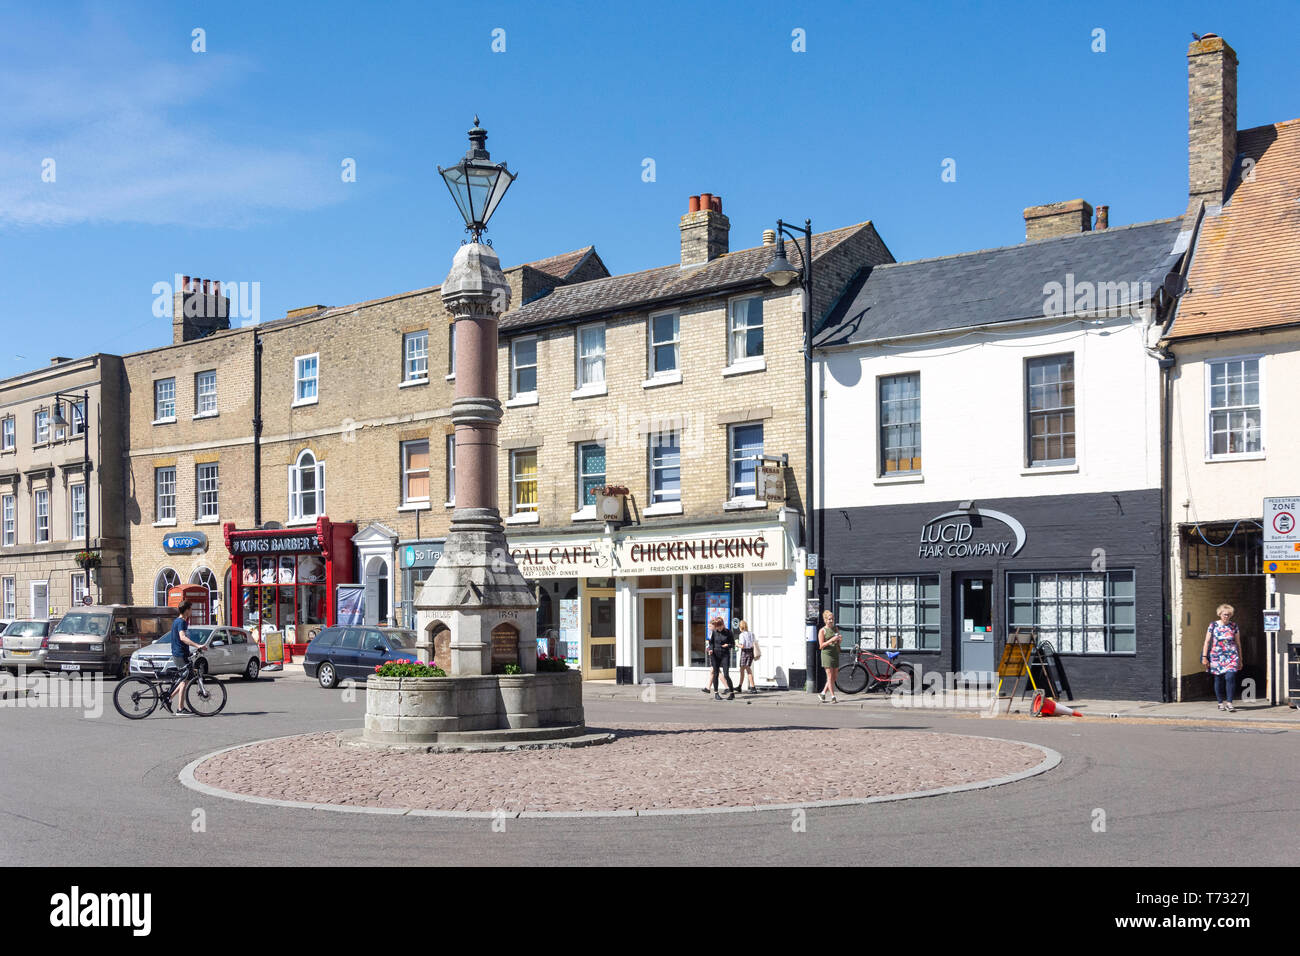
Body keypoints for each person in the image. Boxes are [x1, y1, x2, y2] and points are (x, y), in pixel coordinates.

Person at [167, 602, 208, 716]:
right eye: (191, 609)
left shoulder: (177, 621)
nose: (192, 611)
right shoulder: (182, 622)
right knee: (184, 681)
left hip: (181, 653)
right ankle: (180, 709)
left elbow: (179, 640)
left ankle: (169, 698)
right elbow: (182, 637)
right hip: (180, 655)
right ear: (186, 610)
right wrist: (197, 645)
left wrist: (189, 651)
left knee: (184, 680)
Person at [1202, 603, 1243, 712]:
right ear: (1220, 614)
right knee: (1218, 679)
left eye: (1229, 615)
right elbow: (1206, 642)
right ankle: (1220, 702)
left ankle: (1229, 702)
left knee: (1230, 677)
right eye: (1225, 614)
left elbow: (1238, 643)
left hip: (1231, 656)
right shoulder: (1213, 625)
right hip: (1216, 656)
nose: (1227, 616)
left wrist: (1240, 660)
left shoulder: (1234, 626)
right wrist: (1204, 656)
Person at [706, 616, 736, 700]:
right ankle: (716, 693)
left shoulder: (728, 632)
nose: (718, 628)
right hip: (715, 655)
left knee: (726, 674)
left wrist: (728, 645)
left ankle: (732, 693)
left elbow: (733, 644)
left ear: (722, 624)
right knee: (715, 674)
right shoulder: (714, 632)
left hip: (725, 655)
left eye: (719, 626)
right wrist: (711, 649)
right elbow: (711, 643)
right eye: (716, 627)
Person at [818, 609, 843, 703]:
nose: (831, 621)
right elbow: (821, 646)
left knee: (834, 676)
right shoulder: (822, 631)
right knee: (829, 676)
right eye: (829, 619)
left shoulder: (835, 629)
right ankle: (833, 696)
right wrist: (831, 640)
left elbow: (838, 641)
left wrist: (839, 639)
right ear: (825, 620)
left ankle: (823, 693)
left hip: (835, 653)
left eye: (832, 619)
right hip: (827, 654)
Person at [735, 620, 758, 694]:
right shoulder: (751, 634)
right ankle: (741, 686)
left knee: (745, 669)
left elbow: (742, 646)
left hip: (745, 652)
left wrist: (736, 644)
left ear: (741, 627)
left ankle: (752, 687)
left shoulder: (742, 635)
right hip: (751, 651)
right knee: (745, 669)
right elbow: (754, 643)